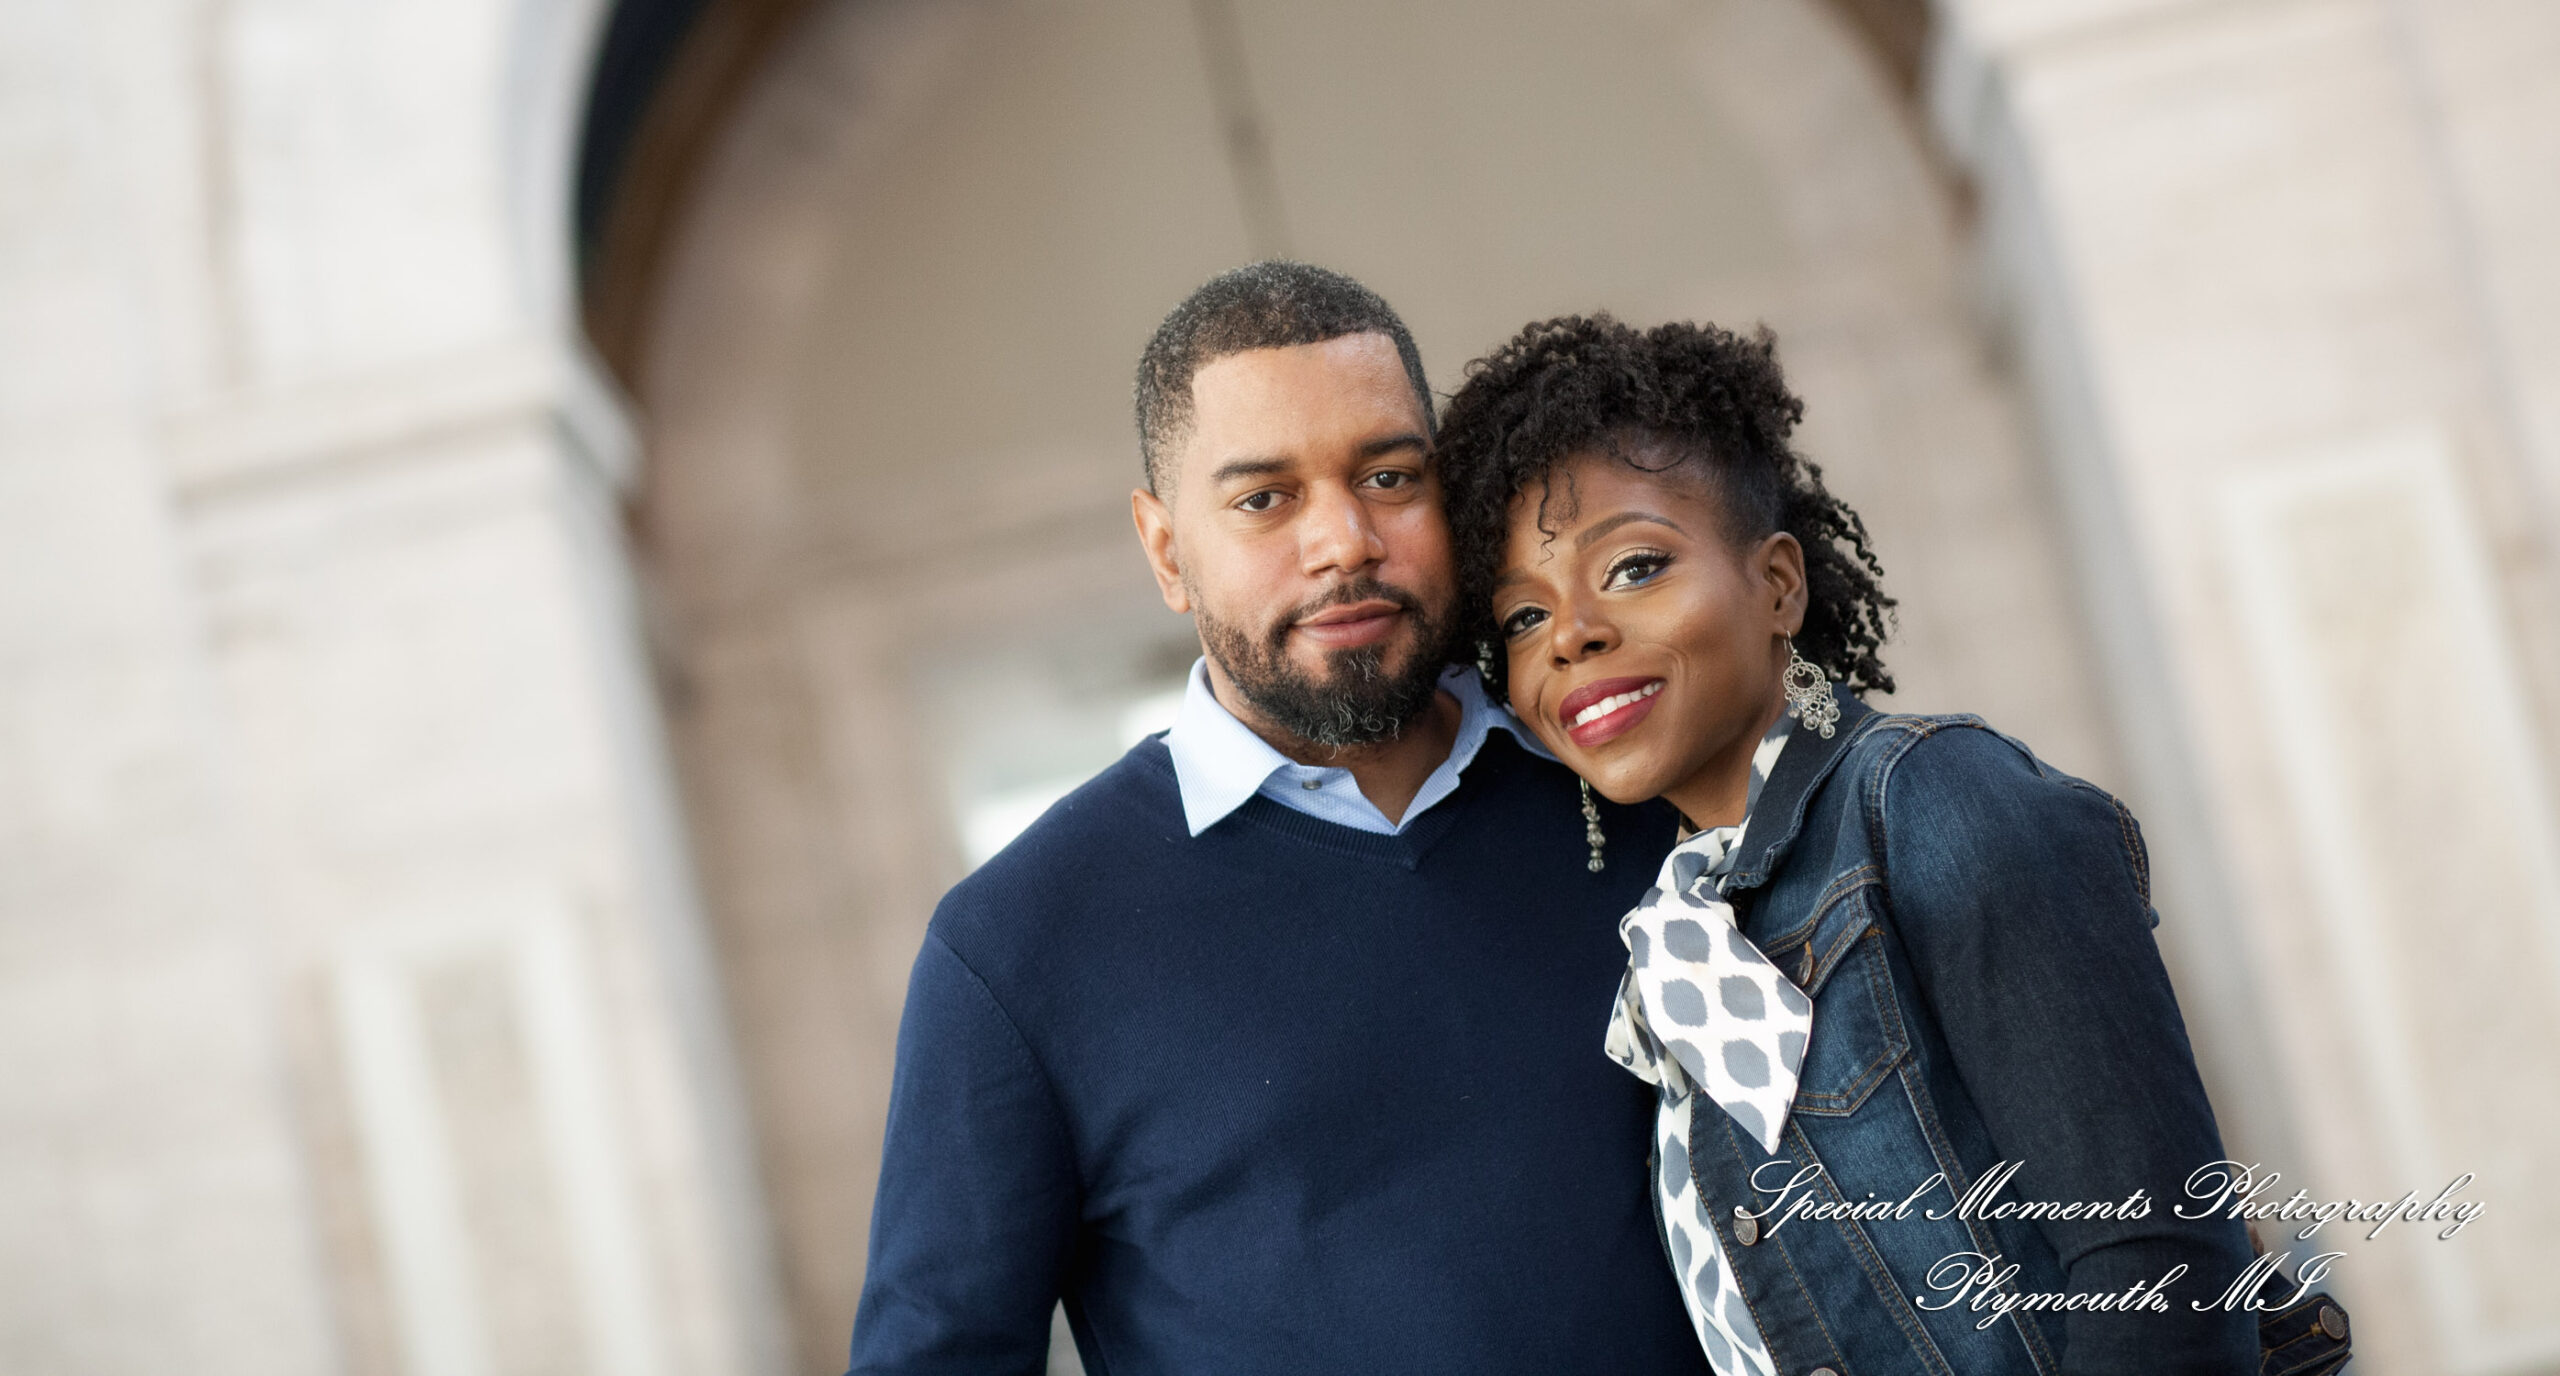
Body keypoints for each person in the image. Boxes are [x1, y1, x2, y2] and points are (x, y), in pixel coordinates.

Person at [845, 266, 1711, 1374]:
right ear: (1167, 551)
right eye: (1264, 498)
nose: (1343, 539)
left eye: (1390, 475)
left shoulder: (1634, 789)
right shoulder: (1016, 948)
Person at [1435, 315, 2260, 1375]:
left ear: (1778, 583)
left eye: (1634, 566)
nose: (1570, 634)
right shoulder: (1680, 930)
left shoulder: (1933, 801)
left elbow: (2160, 1277)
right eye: (1519, 618)